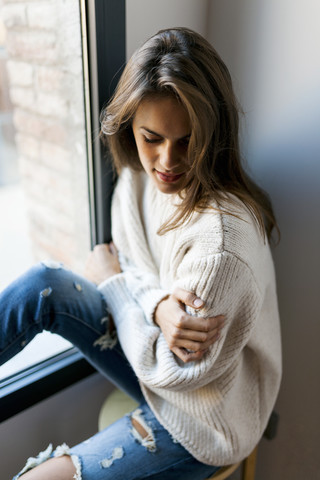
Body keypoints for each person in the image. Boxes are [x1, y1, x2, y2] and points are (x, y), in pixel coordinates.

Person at [0, 27, 282, 480]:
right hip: (153, 352)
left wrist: (113, 284)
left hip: (206, 416)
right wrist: (157, 306)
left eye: (188, 141)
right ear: (131, 126)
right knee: (43, 286)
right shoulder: (136, 177)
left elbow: (171, 368)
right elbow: (132, 263)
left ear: (214, 133)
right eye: (152, 137)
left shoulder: (223, 248)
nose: (167, 162)